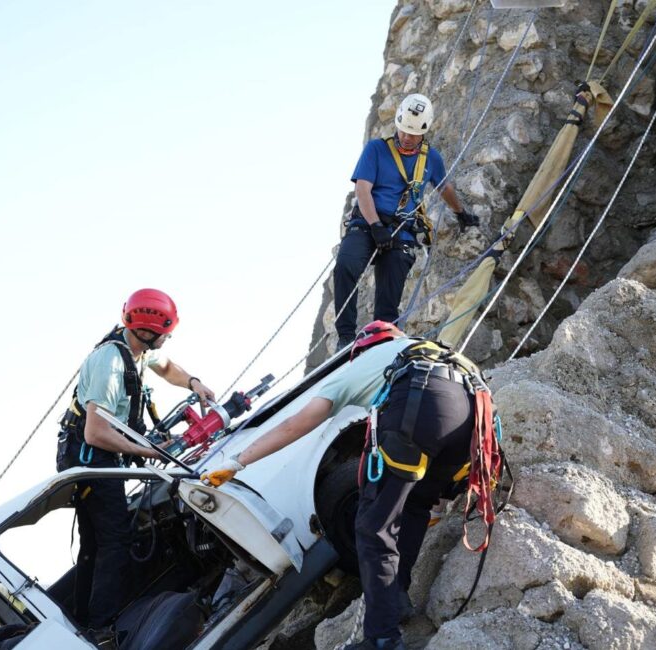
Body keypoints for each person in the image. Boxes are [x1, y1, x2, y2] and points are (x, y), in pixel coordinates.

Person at [201, 321, 497, 650]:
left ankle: (382, 638)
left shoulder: (365, 363)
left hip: (422, 398)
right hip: (474, 415)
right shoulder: (430, 350)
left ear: (362, 349)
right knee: (414, 505)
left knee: (373, 527)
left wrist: (238, 461)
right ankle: (395, 597)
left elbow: (298, 423)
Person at [56, 288, 215, 641]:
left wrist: (194, 383)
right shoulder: (110, 363)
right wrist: (149, 453)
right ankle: (101, 628)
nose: (168, 337)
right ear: (148, 331)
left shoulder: (137, 349)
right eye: (165, 332)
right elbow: (96, 432)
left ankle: (84, 619)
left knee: (95, 544)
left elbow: (168, 367)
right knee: (115, 541)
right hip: (92, 457)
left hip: (96, 455)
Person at [332, 93, 479, 350]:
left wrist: (461, 213)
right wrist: (376, 225)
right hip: (368, 223)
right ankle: (345, 336)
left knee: (390, 289)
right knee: (346, 264)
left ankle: (382, 342)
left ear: (424, 131)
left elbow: (444, 188)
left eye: (412, 134)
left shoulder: (431, 159)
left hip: (401, 232)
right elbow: (363, 190)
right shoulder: (377, 149)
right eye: (403, 131)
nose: (406, 137)